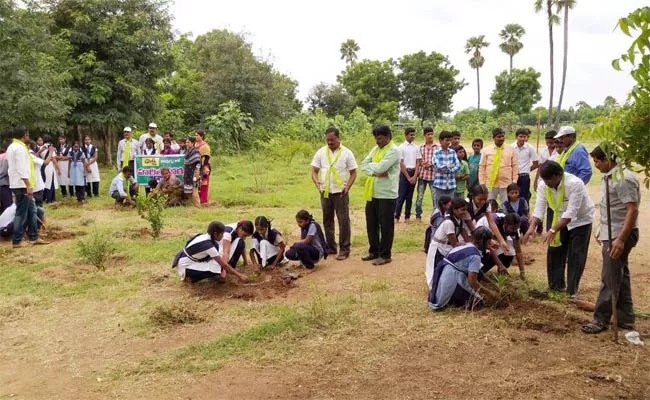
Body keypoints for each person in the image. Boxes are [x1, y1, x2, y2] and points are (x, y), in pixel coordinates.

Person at [582, 146, 640, 334]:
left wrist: (620, 239)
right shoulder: (610, 177)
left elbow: (632, 210)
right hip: (612, 232)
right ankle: (625, 317)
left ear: (607, 159)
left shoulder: (623, 179)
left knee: (610, 277)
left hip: (619, 234)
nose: (596, 165)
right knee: (620, 274)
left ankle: (601, 319)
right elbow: (611, 208)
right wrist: (602, 230)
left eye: (597, 161)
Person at [523, 161, 594, 297]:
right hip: (560, 218)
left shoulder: (575, 184)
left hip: (581, 221)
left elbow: (572, 212)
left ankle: (572, 291)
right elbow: (540, 207)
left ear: (559, 175)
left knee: (576, 255)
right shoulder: (544, 186)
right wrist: (532, 227)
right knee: (555, 251)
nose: (547, 182)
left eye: (549, 179)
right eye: (544, 179)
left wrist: (553, 229)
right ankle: (555, 286)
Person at [310, 127, 357, 260]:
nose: (330, 142)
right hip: (325, 191)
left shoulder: (347, 153)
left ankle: (344, 249)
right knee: (327, 220)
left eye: (332, 140)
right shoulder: (321, 152)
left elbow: (354, 172)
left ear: (338, 138)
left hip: (340, 192)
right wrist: (317, 183)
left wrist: (348, 186)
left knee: (343, 221)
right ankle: (331, 247)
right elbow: (314, 170)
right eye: (328, 140)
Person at [428, 227, 498, 311]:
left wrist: (493, 284)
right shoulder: (475, 256)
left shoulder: (466, 245)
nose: (489, 244)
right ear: (481, 241)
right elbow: (472, 282)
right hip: (451, 278)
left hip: (444, 272)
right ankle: (451, 299)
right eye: (488, 242)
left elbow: (479, 272)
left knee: (477, 275)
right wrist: (489, 292)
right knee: (479, 303)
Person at [360, 124, 401, 266]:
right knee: (371, 224)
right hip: (372, 192)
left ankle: (385, 255)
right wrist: (375, 171)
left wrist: (375, 168)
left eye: (381, 138)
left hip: (387, 194)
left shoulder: (394, 151)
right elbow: (364, 164)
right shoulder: (376, 149)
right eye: (376, 138)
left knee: (386, 226)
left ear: (388, 137)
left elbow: (382, 167)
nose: (378, 141)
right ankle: (374, 251)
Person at [7, 127, 49, 247]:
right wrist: (28, 185)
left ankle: (33, 237)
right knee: (21, 213)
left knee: (32, 211)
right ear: (24, 135)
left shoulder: (12, 146)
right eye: (27, 135)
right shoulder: (19, 148)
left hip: (20, 183)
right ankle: (17, 241)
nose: (28, 137)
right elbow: (21, 169)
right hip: (22, 185)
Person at [172, 221, 249, 284]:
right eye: (222, 234)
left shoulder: (207, 237)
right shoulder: (208, 245)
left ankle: (195, 275)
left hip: (189, 260)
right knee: (218, 267)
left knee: (219, 266)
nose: (223, 236)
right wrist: (239, 275)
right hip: (185, 266)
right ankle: (190, 278)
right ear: (215, 234)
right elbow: (223, 264)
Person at [425, 197, 471, 289]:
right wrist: (466, 245)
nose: (465, 212)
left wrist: (471, 245)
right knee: (435, 271)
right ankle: (435, 290)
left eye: (466, 210)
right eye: (462, 210)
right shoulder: (449, 222)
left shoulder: (459, 220)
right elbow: (455, 244)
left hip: (447, 247)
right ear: (454, 210)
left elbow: (466, 237)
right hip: (439, 248)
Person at [477, 213, 525, 279]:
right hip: (481, 236)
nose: (515, 230)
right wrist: (500, 265)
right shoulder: (494, 224)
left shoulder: (515, 229)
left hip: (499, 236)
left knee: (509, 252)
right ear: (505, 223)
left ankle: (501, 272)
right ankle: (481, 269)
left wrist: (522, 272)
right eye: (513, 228)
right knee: (487, 254)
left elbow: (518, 251)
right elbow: (491, 249)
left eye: (517, 228)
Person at [479, 127, 518, 206]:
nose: (501, 138)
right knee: (489, 205)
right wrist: (482, 183)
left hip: (506, 183)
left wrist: (514, 181)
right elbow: (482, 167)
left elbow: (515, 166)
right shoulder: (487, 150)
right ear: (493, 138)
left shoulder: (510, 149)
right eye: (499, 137)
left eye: (502, 136)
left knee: (506, 205)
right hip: (490, 183)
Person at [394, 127, 422, 222]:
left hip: (413, 172)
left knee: (409, 197)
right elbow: (401, 163)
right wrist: (408, 177)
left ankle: (407, 216)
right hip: (404, 173)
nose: (413, 136)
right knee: (401, 196)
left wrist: (414, 175)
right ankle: (396, 216)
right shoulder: (401, 147)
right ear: (406, 135)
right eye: (411, 135)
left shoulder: (416, 147)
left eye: (414, 135)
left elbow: (418, 162)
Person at [432, 131, 461, 206]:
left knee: (449, 207)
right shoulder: (436, 152)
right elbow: (436, 165)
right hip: (439, 185)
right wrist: (450, 166)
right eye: (447, 140)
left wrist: (446, 169)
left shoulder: (453, 152)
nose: (449, 142)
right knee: (438, 207)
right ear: (441, 141)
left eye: (450, 140)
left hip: (451, 184)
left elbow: (458, 166)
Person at [415, 127, 437, 222]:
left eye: (431, 134)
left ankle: (435, 216)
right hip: (422, 175)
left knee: (434, 197)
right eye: (428, 134)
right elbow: (418, 160)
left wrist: (431, 165)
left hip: (433, 176)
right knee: (420, 196)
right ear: (424, 135)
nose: (430, 136)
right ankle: (418, 215)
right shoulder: (420, 147)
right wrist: (423, 164)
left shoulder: (437, 147)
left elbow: (438, 160)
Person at [511, 128, 539, 202]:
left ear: (527, 137)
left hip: (524, 177)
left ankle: (525, 213)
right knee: (512, 197)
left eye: (524, 137)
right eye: (520, 136)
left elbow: (536, 164)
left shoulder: (530, 148)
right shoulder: (510, 147)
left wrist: (526, 170)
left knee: (524, 198)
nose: (522, 139)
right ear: (516, 137)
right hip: (512, 177)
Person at [37, 136, 59, 204]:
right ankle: (51, 199)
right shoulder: (51, 148)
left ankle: (44, 197)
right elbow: (54, 159)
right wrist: (58, 168)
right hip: (50, 166)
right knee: (50, 183)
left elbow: (38, 155)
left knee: (45, 182)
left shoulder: (41, 148)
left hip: (43, 165)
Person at [183, 137, 201, 208]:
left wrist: (197, 172)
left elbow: (198, 163)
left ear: (192, 143)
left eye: (188, 142)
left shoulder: (195, 151)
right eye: (186, 142)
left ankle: (198, 206)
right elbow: (185, 162)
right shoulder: (186, 151)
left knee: (194, 191)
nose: (187, 144)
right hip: (187, 173)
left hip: (193, 172)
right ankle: (193, 206)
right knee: (188, 192)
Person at [195, 130, 211, 205]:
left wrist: (205, 167)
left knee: (204, 182)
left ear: (202, 136)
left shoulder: (205, 146)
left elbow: (206, 158)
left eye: (197, 135)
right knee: (197, 182)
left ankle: (203, 200)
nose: (196, 137)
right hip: (196, 166)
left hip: (203, 165)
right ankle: (198, 199)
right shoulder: (195, 144)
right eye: (195, 135)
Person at [29, 142, 46, 207]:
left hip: (30, 182)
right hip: (36, 183)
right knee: (38, 206)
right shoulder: (30, 155)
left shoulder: (27, 154)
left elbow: (35, 156)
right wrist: (50, 152)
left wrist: (40, 151)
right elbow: (45, 162)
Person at [0, 142, 11, 214]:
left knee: (3, 205)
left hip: (3, 184)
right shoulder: (6, 157)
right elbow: (3, 171)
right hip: (4, 184)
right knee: (7, 205)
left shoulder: (1, 156)